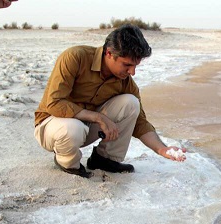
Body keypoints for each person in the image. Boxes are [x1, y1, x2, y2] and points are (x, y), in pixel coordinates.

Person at [34, 24, 186, 178]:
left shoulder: (126, 82)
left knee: (131, 103)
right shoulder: (75, 57)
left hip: (85, 130)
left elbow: (140, 122)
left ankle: (104, 159)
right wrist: (98, 117)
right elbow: (54, 103)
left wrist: (162, 149)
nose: (132, 72)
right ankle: (68, 163)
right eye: (127, 65)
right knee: (73, 128)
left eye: (135, 66)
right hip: (52, 127)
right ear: (108, 53)